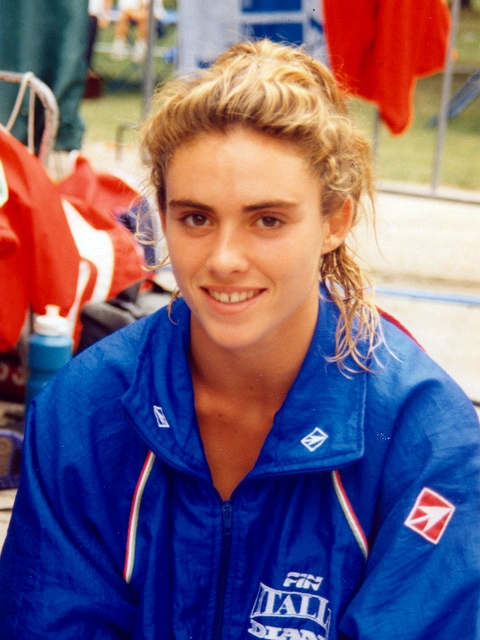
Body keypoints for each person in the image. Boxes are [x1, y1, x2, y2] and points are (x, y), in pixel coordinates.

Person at [0, 39, 479, 638]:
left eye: (267, 220)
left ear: (335, 221)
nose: (224, 259)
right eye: (196, 218)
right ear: (162, 218)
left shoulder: (425, 433)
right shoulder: (84, 411)